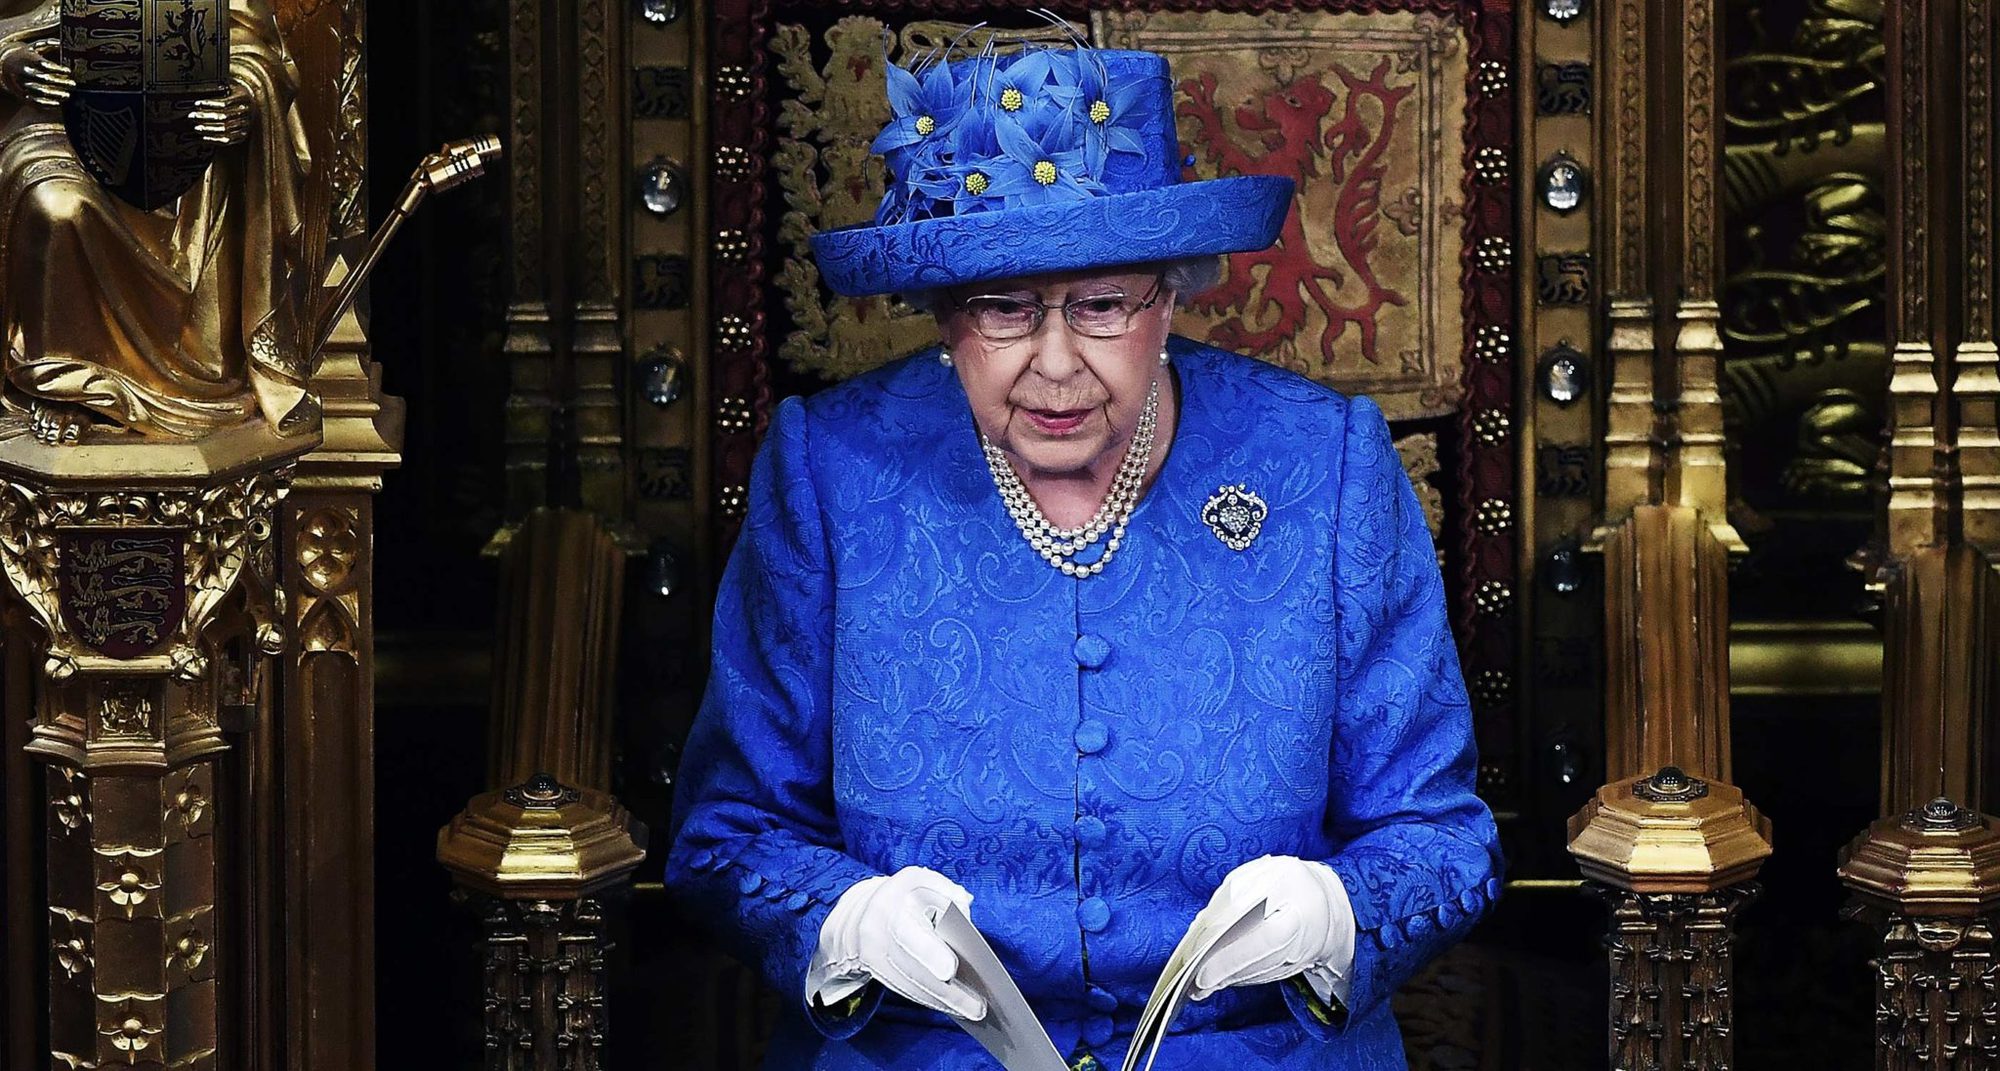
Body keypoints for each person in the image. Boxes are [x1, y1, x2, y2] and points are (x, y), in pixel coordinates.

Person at [667, 41, 1501, 1071]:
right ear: (944, 314)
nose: (1053, 365)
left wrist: (1338, 914)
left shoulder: (1320, 463)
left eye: (1102, 305)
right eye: (1003, 307)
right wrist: (841, 924)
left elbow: (1442, 837)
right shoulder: (831, 469)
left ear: (1170, 294)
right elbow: (726, 833)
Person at [0, 0, 314, 444]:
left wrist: (243, 96)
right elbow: (15, 21)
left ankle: (190, 372)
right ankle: (65, 380)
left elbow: (253, 46)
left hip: (187, 150)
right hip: (64, 126)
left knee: (203, 175)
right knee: (55, 204)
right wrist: (12, 62)